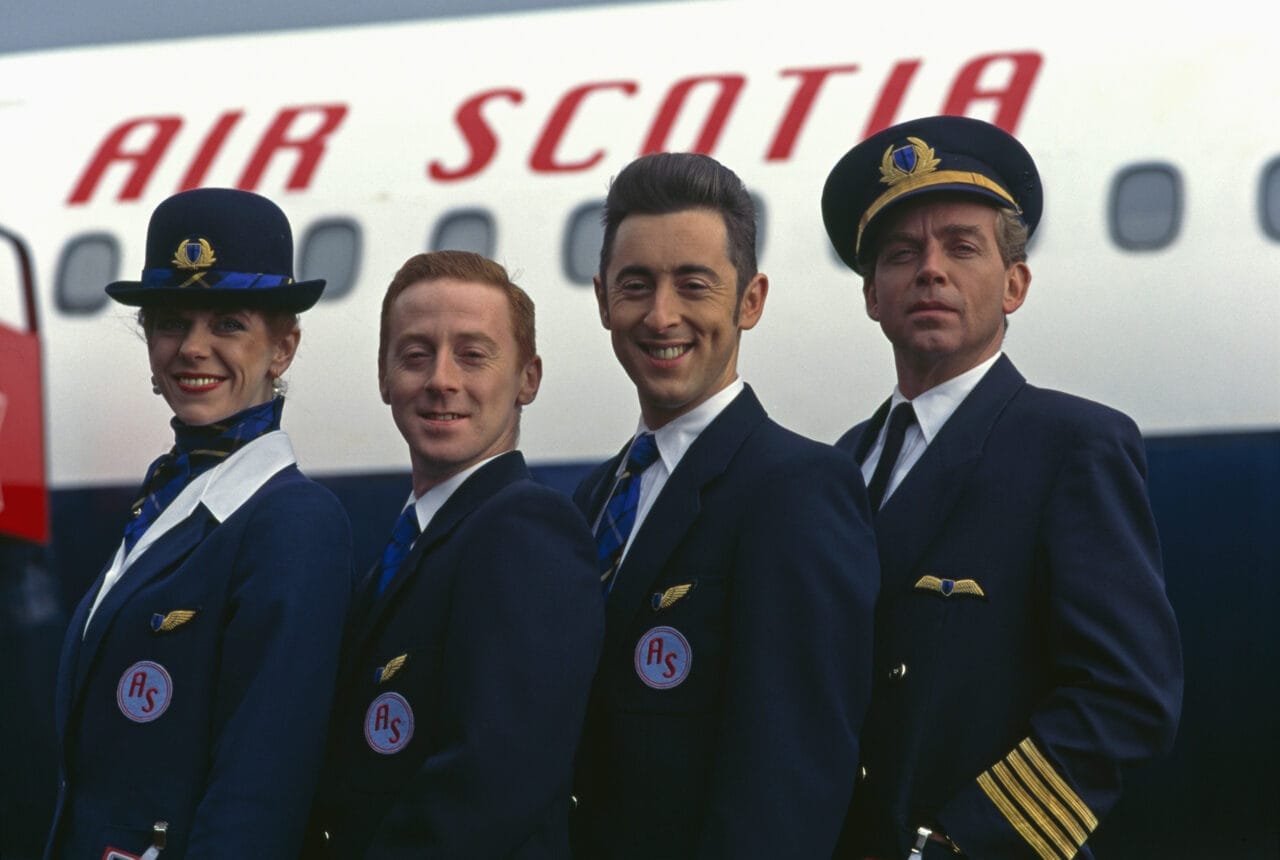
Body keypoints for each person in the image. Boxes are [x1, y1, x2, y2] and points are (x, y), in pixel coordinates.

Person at [821, 116, 1183, 859]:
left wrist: (960, 843)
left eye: (962, 246)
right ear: (872, 296)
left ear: (1014, 283)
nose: (930, 270)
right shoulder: (837, 468)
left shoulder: (1072, 446)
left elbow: (1126, 696)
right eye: (901, 254)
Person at [571, 152, 880, 859]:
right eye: (636, 285)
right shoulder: (595, 499)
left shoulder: (798, 489)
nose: (661, 315)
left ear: (751, 300)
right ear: (601, 300)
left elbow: (792, 778)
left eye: (693, 285)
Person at [45, 188, 353, 859]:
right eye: (170, 322)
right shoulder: (164, 504)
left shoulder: (292, 522)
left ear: (284, 347)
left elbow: (258, 797)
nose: (193, 348)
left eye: (229, 324)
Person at [307, 251, 603, 858]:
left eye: (473, 355)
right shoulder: (413, 544)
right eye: (416, 355)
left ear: (528, 378)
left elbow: (495, 781)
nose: (441, 379)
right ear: (384, 376)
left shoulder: (526, 529)